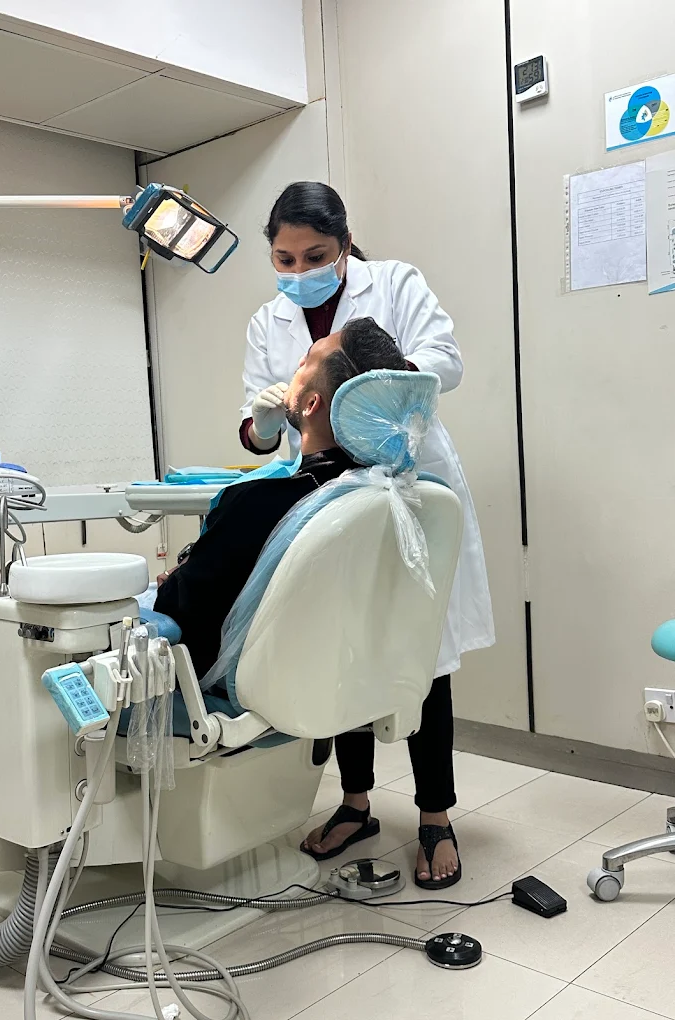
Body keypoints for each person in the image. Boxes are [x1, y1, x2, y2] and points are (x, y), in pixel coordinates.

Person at [239, 181, 495, 889]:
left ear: (345, 244)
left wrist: (366, 385)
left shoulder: (395, 284)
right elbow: (257, 427)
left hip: (405, 484)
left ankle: (435, 814)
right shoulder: (267, 321)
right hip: (327, 491)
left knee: (421, 651)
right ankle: (355, 805)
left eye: (315, 256)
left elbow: (445, 360)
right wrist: (265, 420)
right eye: (284, 259)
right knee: (343, 645)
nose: (298, 272)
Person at [154, 316, 406, 684]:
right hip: (336, 680)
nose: (297, 365)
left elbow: (183, 612)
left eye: (307, 360)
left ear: (311, 404)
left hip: (238, 686)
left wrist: (173, 582)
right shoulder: (382, 492)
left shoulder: (257, 501)